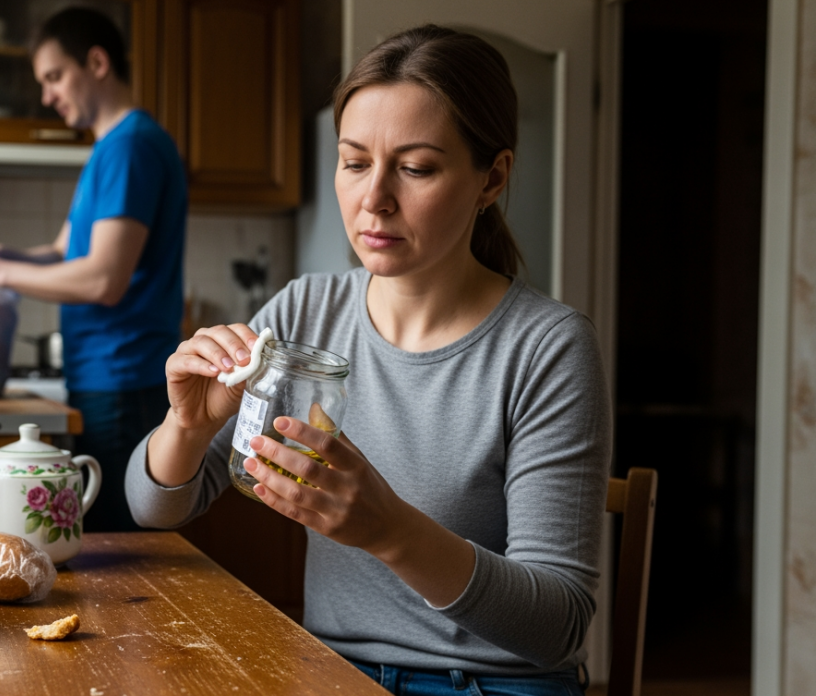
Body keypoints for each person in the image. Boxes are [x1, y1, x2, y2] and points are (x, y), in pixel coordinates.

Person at [125, 25, 609, 695]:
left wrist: (391, 532)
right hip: (333, 674)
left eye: (416, 168)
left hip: (491, 684)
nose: (374, 198)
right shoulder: (305, 313)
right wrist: (188, 425)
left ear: (491, 178)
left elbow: (558, 624)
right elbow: (153, 509)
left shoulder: (548, 348)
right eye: (354, 162)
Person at [0, 7, 187, 533]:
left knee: (124, 553)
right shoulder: (112, 148)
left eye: (54, 77)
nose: (46, 96)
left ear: (96, 63)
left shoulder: (130, 146)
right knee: (106, 544)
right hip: (108, 377)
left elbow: (103, 279)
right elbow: (63, 251)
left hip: (124, 380)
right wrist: (1, 252)